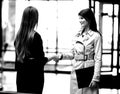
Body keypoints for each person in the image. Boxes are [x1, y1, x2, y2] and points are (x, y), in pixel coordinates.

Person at [56, 8, 102, 94]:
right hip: (76, 69)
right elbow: (73, 53)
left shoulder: (96, 36)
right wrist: (61, 56)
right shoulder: (77, 35)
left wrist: (96, 77)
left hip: (88, 70)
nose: (79, 21)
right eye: (79, 18)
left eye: (82, 18)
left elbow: (98, 58)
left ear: (89, 19)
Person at [14, 6, 57, 94]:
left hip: (21, 78)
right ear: (35, 19)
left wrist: (29, 61)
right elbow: (40, 62)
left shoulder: (18, 37)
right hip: (35, 79)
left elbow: (17, 64)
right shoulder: (36, 37)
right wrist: (52, 56)